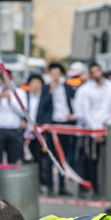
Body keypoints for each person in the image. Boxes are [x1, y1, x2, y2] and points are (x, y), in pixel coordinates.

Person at [73, 62, 111, 192]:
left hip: (108, 128)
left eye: (97, 71)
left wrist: (107, 125)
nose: (96, 74)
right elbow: (86, 112)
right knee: (90, 159)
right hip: (90, 130)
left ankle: (105, 186)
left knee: (107, 160)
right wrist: (95, 130)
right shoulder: (86, 89)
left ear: (101, 71)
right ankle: (91, 187)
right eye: (93, 72)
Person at [37, 62, 75, 194]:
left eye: (57, 73)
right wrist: (50, 93)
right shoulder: (47, 89)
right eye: (52, 73)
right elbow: (41, 107)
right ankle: (50, 186)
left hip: (65, 125)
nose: (55, 76)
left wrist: (73, 115)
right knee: (50, 157)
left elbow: (73, 103)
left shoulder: (68, 88)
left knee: (63, 157)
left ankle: (62, 186)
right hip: (51, 126)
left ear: (61, 74)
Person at [0, 76, 29, 165]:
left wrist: (10, 100)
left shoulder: (19, 92)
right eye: (3, 80)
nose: (5, 83)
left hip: (14, 130)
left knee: (14, 158)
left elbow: (24, 112)